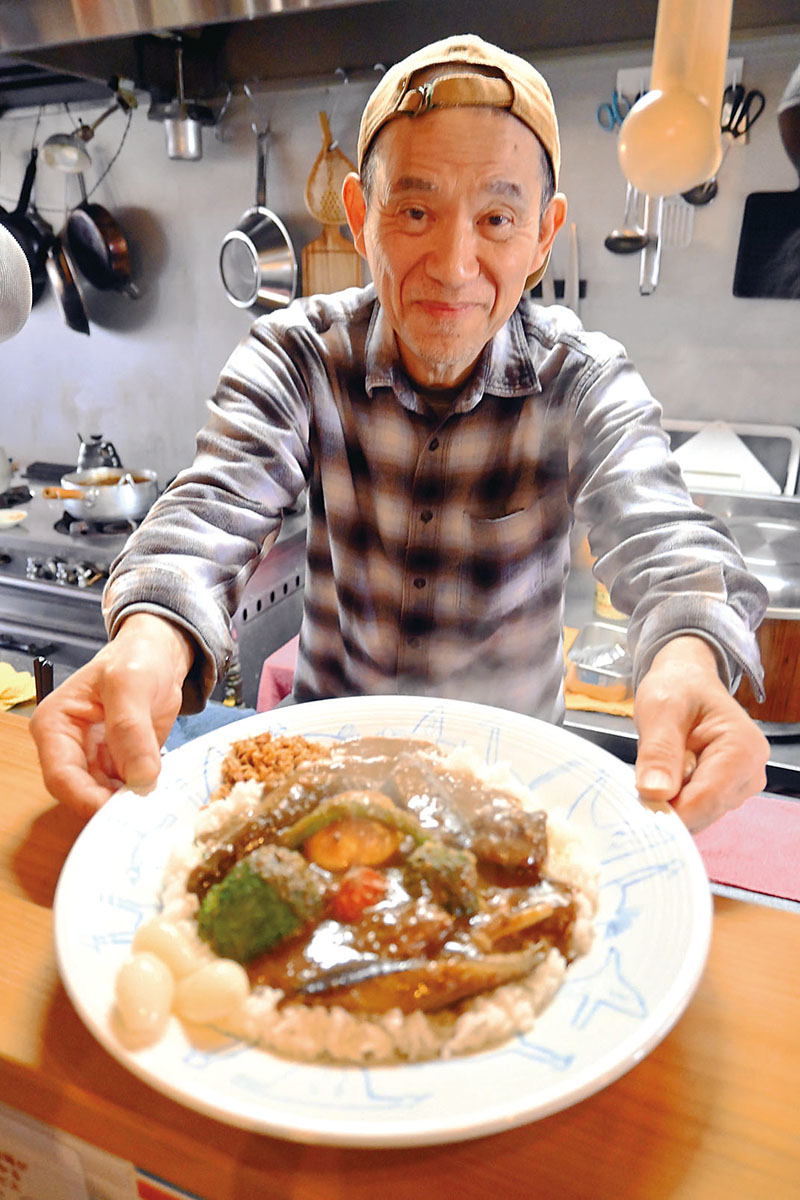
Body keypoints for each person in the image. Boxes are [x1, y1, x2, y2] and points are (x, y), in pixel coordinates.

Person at [31, 33, 770, 831]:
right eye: (415, 210)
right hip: (322, 785)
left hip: (507, 798)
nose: (455, 264)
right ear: (359, 215)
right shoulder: (298, 356)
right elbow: (209, 511)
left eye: (496, 218)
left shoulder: (582, 379)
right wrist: (150, 637)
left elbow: (666, 539)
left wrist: (690, 654)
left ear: (543, 237)